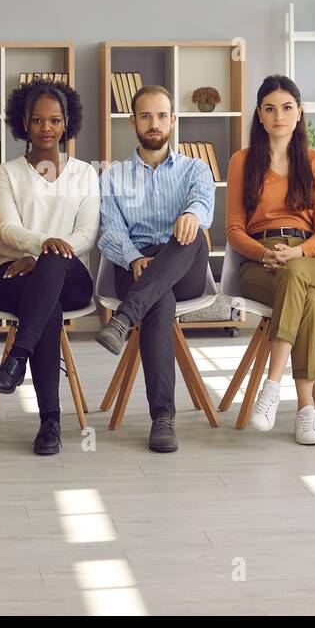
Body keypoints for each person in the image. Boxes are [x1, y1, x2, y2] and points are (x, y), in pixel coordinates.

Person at [95, 85, 215, 453]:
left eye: (162, 115)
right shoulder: (113, 176)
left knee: (191, 234)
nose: (154, 123)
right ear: (132, 121)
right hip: (134, 266)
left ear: (173, 121)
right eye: (145, 116)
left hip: (183, 264)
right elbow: (110, 230)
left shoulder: (195, 168)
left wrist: (191, 215)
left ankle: (123, 319)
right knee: (157, 299)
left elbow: (202, 204)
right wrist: (133, 257)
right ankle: (163, 419)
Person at [0, 81, 100, 455]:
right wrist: (40, 246)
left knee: (50, 273)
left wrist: (46, 254)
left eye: (54, 120)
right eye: (37, 120)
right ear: (24, 122)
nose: (46, 128)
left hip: (70, 276)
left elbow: (87, 231)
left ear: (67, 123)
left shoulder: (85, 173)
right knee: (45, 306)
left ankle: (16, 359)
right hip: (11, 275)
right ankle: (50, 422)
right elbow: (9, 229)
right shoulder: (8, 172)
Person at [226, 75, 315, 445]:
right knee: (307, 300)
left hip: (309, 257)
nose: (279, 116)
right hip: (259, 263)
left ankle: (271, 386)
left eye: (287, 108)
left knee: (297, 275)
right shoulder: (242, 162)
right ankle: (305, 409)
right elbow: (234, 229)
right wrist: (263, 253)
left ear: (299, 112)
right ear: (258, 115)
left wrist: (297, 252)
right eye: (270, 109)